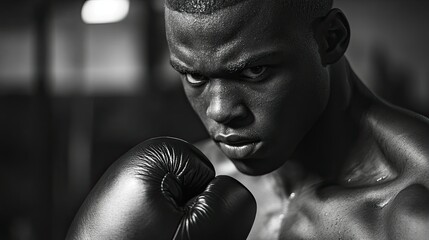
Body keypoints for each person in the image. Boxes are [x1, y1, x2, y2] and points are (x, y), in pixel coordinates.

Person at [66, 0, 429, 239]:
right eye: (195, 76)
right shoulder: (188, 189)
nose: (220, 111)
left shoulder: (411, 210)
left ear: (330, 40)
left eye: (255, 70)